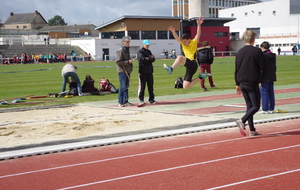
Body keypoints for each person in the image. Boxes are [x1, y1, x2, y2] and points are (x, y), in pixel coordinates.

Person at [163, 17, 211, 90]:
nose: (184, 43)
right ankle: (201, 76)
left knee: (179, 57)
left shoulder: (194, 42)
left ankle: (171, 69)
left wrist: (198, 24)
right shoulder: (182, 43)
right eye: (183, 41)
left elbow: (198, 34)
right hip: (189, 67)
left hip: (193, 63)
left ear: (189, 39)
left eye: (185, 41)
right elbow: (177, 38)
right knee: (186, 87)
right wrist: (173, 32)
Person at [235, 30, 265, 136]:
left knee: (249, 106)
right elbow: (263, 67)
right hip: (252, 81)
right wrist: (260, 80)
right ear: (253, 40)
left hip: (242, 81)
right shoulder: (257, 51)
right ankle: (242, 121)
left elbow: (236, 69)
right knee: (256, 106)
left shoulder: (239, 52)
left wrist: (237, 84)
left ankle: (252, 130)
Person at [116, 36, 134, 107]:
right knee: (122, 86)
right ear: (123, 42)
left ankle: (126, 101)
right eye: (127, 42)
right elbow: (118, 62)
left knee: (126, 86)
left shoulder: (127, 50)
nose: (128, 43)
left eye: (129, 42)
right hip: (122, 71)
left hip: (127, 70)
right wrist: (127, 62)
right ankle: (120, 101)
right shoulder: (120, 50)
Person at [137, 39, 156, 106]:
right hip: (142, 71)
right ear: (143, 44)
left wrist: (148, 58)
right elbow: (142, 59)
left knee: (150, 86)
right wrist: (148, 59)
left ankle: (151, 99)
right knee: (142, 86)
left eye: (148, 45)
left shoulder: (149, 51)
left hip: (150, 71)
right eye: (146, 44)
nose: (147, 46)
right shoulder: (140, 51)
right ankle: (141, 99)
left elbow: (153, 59)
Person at [259, 41, 276, 114]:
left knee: (264, 92)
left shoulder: (263, 56)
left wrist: (259, 78)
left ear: (263, 48)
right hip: (271, 75)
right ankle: (271, 108)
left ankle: (265, 108)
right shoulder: (272, 55)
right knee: (270, 92)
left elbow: (262, 68)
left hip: (265, 76)